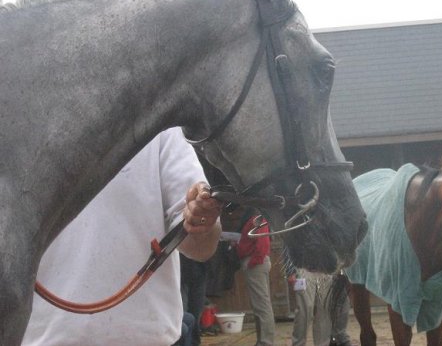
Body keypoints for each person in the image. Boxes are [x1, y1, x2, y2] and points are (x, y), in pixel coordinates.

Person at [23, 128, 222, 346]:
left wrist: (202, 219)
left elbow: (202, 247)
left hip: (149, 338)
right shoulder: (18, 121)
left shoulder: (159, 125)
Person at [235, 209, 276, 346]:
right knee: (259, 304)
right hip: (256, 261)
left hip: (256, 263)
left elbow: (262, 244)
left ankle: (266, 341)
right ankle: (262, 340)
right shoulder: (254, 218)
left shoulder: (257, 218)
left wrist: (253, 262)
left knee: (262, 305)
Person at [288, 270, 351, 346]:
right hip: (303, 267)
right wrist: (290, 271)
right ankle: (298, 344)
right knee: (304, 310)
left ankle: (323, 343)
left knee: (324, 312)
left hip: (327, 269)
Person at [180, 254, 209, 345]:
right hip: (180, 274)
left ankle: (194, 342)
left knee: (196, 314)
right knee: (183, 317)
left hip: (200, 270)